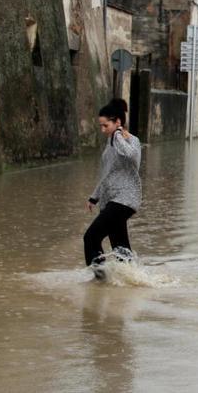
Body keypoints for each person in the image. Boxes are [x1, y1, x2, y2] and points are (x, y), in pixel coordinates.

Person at [83, 98, 142, 275]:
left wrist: (117, 134)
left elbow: (131, 156)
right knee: (121, 248)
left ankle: (100, 281)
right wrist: (94, 197)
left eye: (105, 125)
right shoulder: (110, 146)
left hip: (125, 200)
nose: (103, 130)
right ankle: (133, 281)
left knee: (91, 237)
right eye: (101, 126)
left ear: (117, 122)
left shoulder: (131, 140)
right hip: (112, 201)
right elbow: (107, 175)